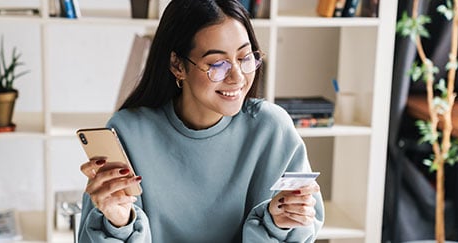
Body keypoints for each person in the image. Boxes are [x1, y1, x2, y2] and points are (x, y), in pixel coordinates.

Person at [78, 0, 325, 242]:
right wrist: (118, 222)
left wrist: (279, 223)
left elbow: (302, 229)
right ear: (177, 65)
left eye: (245, 57)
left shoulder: (272, 129)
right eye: (218, 64)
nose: (237, 77)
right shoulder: (128, 132)